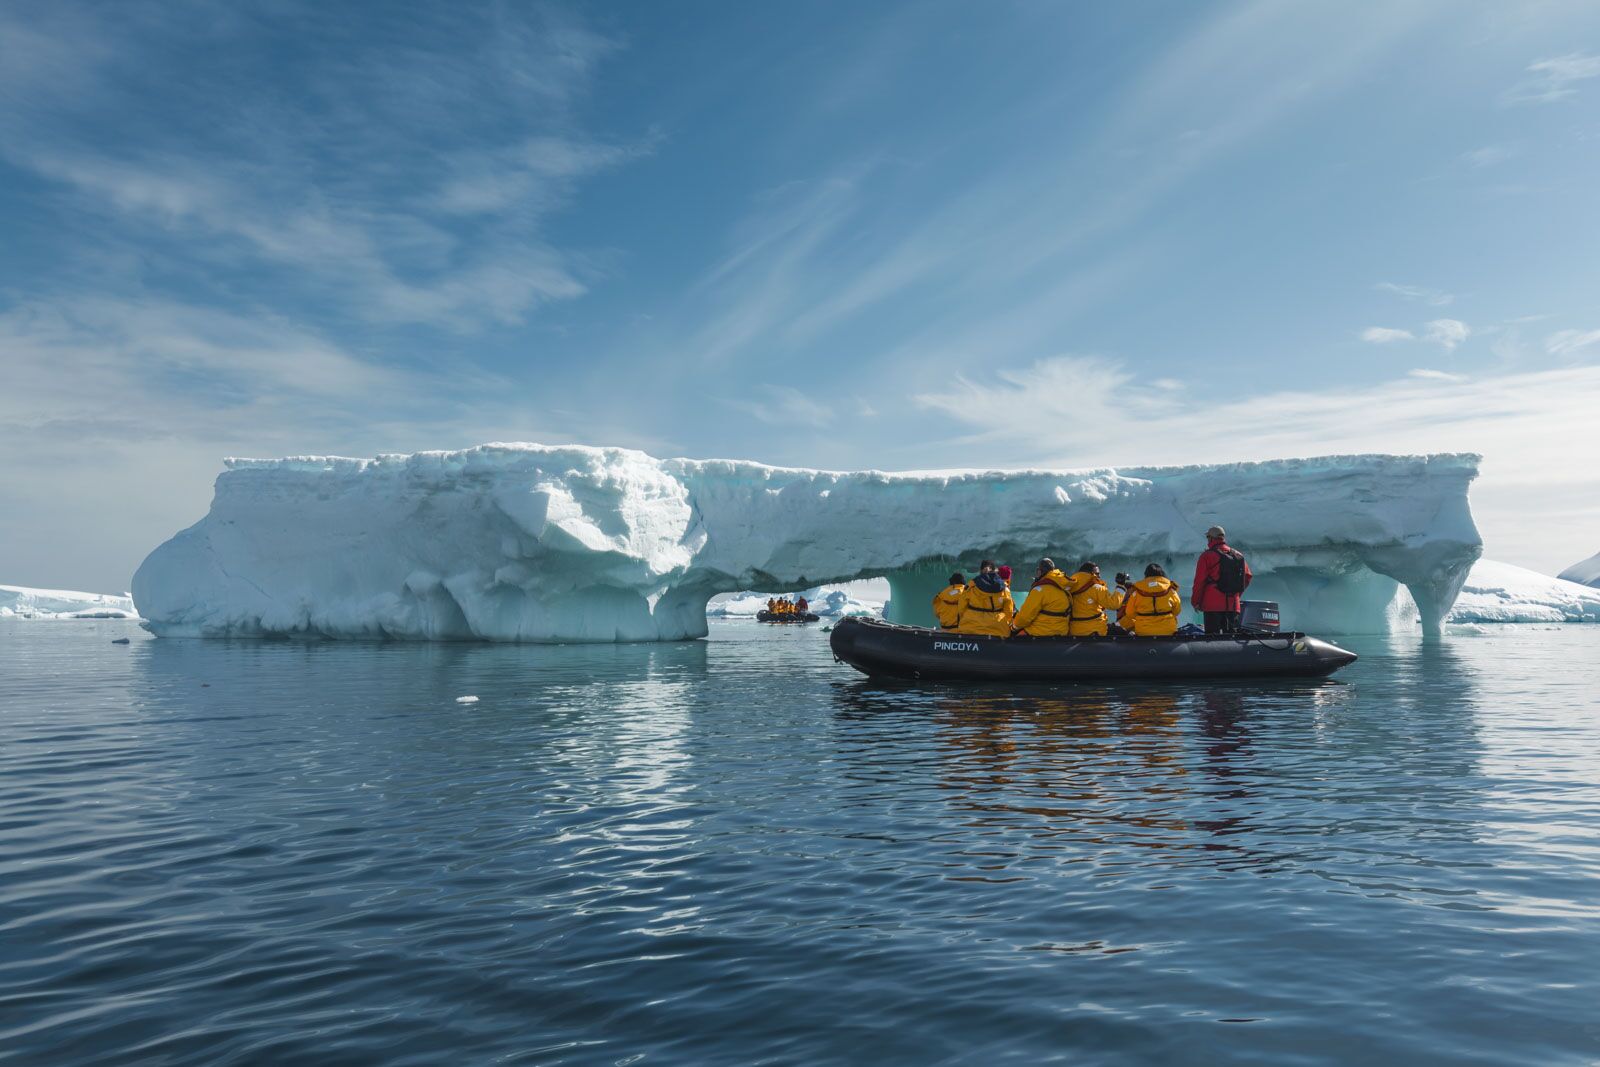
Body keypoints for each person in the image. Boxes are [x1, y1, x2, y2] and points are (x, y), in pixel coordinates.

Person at [1193, 525, 1252, 633]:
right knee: (1231, 639)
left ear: (1211, 538)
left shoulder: (1206, 556)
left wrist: (1196, 602)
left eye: (1208, 538)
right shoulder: (1238, 555)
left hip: (1212, 605)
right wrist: (1236, 594)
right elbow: (1247, 576)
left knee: (1212, 640)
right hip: (1233, 604)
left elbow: (1199, 581)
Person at [1009, 558, 1073, 637]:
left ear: (1040, 571)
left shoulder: (1040, 590)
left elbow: (1024, 617)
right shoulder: (1065, 589)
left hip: (1040, 633)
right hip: (1062, 633)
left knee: (1015, 638)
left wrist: (1014, 627)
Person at [1118, 563, 1184, 636]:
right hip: (1168, 630)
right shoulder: (1171, 590)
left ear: (1146, 575)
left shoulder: (1136, 591)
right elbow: (1177, 611)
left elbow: (1130, 613)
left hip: (1143, 631)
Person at [956, 560, 1015, 637]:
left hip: (970, 628)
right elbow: (1009, 612)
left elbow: (961, 607)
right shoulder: (1004, 589)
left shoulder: (971, 586)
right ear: (995, 571)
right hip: (997, 630)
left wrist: (965, 619)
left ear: (980, 571)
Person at [1066, 561, 1124, 636]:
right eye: (1097, 573)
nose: (1099, 576)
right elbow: (1114, 604)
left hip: (1074, 631)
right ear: (1092, 573)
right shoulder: (1096, 587)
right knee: (1123, 632)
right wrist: (1121, 587)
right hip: (1094, 630)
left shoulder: (1069, 585)